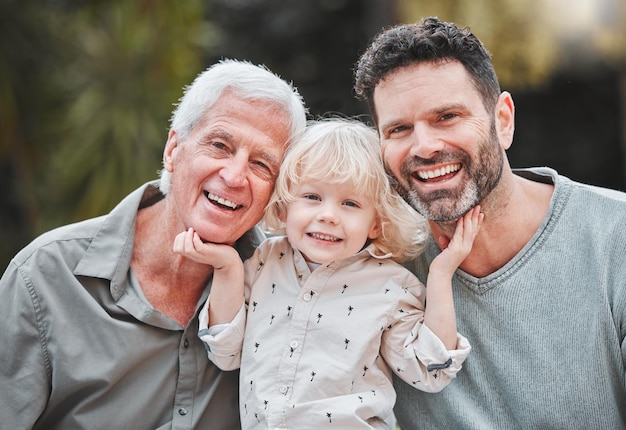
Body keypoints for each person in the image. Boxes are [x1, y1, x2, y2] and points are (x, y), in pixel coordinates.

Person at [0, 59, 307, 429]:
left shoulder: (289, 286)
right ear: (173, 149)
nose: (234, 175)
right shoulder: (44, 277)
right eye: (220, 145)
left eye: (262, 165)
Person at [353, 16, 626, 429]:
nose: (424, 146)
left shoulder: (615, 237)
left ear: (503, 120)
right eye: (399, 128)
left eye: (447, 116)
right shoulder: (366, 258)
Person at [173, 117, 482, 429]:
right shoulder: (265, 261)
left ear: (376, 222)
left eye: (350, 203)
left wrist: (441, 274)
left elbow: (430, 370)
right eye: (312, 197)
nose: (328, 216)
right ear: (284, 207)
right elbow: (225, 352)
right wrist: (226, 266)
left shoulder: (390, 285)